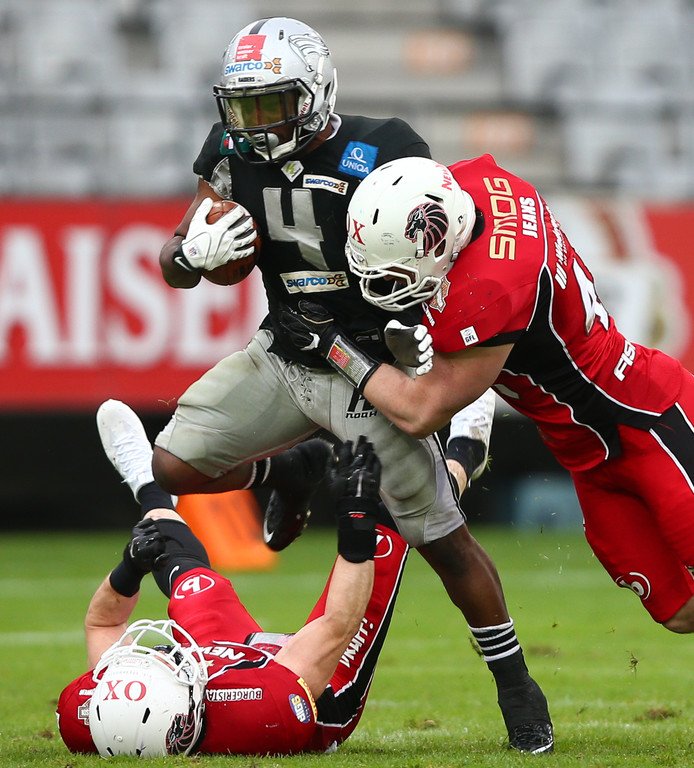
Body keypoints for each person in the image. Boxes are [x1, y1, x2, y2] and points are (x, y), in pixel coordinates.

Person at [152, 16, 553, 752]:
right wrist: (191, 256)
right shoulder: (230, 152)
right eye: (243, 108)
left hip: (369, 369)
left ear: (314, 92)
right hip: (284, 352)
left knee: (442, 540)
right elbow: (178, 257)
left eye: (272, 104)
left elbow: (437, 247)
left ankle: (516, 684)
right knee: (172, 465)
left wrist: (416, 336)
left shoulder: (385, 147)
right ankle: (292, 468)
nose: (254, 123)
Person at [282, 154, 694, 634]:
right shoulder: (473, 187)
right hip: (587, 453)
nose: (383, 286)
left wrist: (333, 346)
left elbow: (421, 411)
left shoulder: (490, 288)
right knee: (677, 611)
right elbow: (477, 362)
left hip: (649, 420)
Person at [57, 398, 410, 756]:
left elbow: (102, 624)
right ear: (186, 718)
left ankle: (150, 488)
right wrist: (356, 514)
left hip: (219, 661)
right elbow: (337, 624)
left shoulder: (87, 714)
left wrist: (130, 569)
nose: (163, 654)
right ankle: (442, 460)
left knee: (179, 571)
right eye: (165, 665)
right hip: (311, 692)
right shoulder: (260, 710)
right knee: (386, 523)